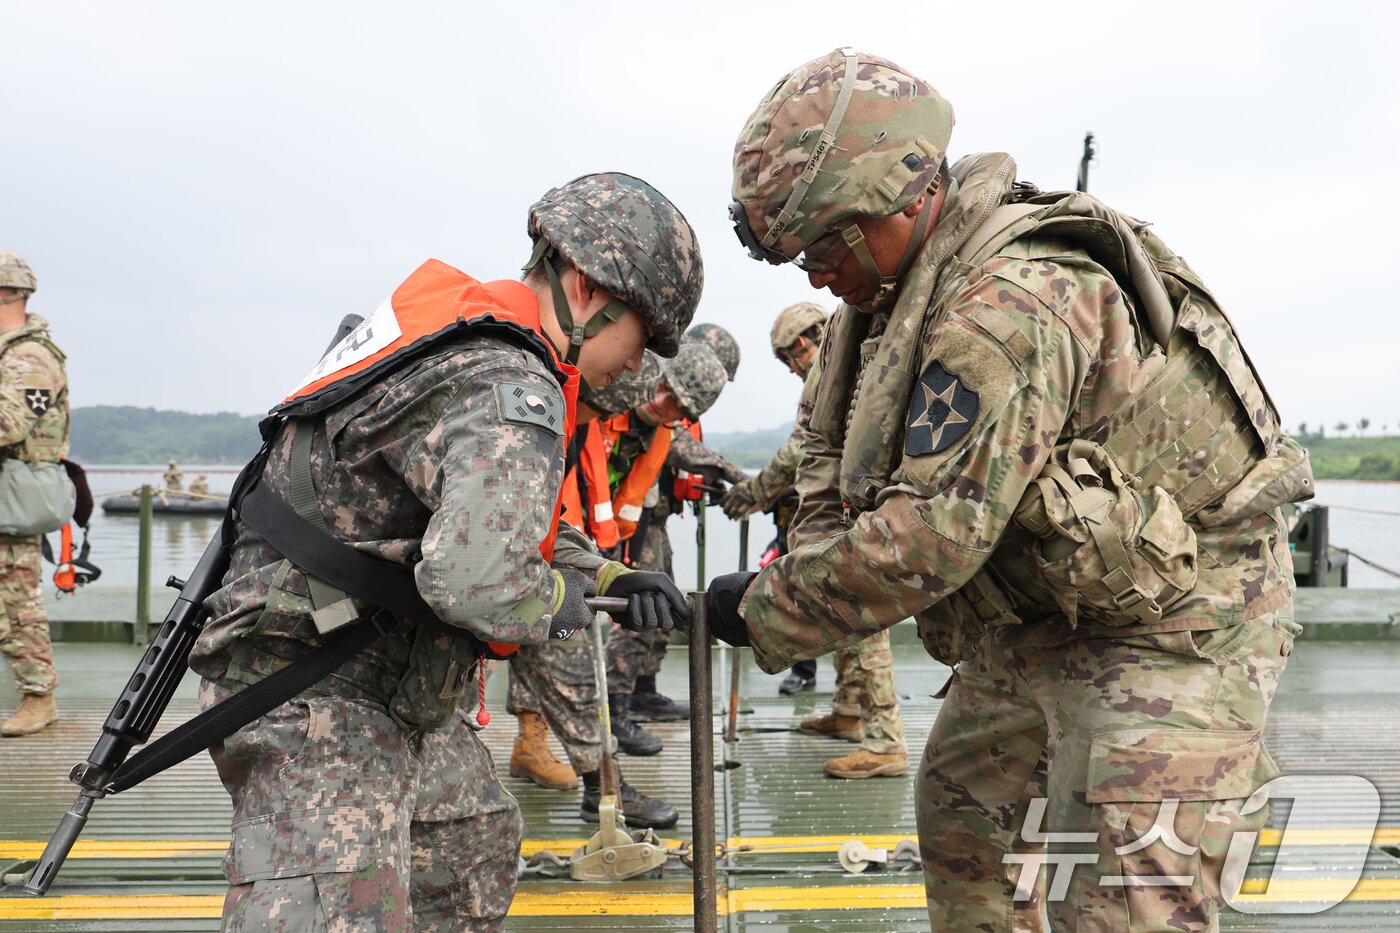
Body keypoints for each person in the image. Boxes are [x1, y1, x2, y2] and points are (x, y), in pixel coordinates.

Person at [709, 49, 1309, 930]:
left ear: (905, 199)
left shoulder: (1012, 305)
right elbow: (825, 465)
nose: (813, 274)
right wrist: (797, 562)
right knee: (964, 825)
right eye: (795, 255)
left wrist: (768, 610)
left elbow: (931, 534)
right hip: (1038, 614)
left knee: (1120, 902)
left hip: (1178, 624)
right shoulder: (874, 309)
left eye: (826, 243)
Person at [188, 172, 701, 931]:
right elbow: (479, 581)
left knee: (467, 850)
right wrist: (567, 601)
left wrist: (609, 571)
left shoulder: (461, 339)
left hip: (378, 671)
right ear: (591, 290)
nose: (641, 366)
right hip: (313, 682)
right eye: (645, 337)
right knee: (335, 909)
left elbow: (479, 517)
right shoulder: (509, 380)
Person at [724, 301, 906, 775]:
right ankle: (849, 711)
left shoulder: (829, 367)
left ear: (804, 341)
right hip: (858, 505)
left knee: (862, 623)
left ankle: (886, 744)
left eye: (788, 357)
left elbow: (801, 449)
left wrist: (753, 491)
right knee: (843, 613)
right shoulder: (857, 360)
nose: (790, 367)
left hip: (857, 512)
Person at [600, 339, 732, 754]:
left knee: (658, 607)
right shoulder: (607, 398)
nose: (662, 401)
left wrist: (737, 478)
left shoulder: (661, 428)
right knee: (625, 617)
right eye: (663, 387)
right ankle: (613, 713)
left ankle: (638, 694)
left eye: (677, 401)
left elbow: (680, 449)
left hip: (634, 523)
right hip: (599, 527)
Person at [0, 251, 68, 738]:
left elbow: (11, 423)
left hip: (12, 493)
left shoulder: (29, 357)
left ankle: (38, 696)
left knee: (16, 599)